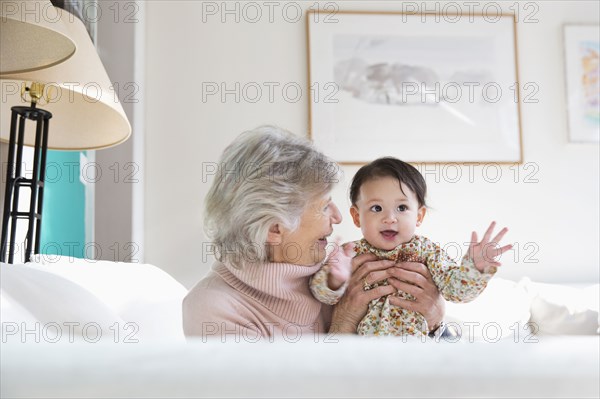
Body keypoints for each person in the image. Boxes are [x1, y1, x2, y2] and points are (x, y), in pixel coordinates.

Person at [183, 127, 446, 341]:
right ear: (275, 229)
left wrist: (436, 323)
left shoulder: (332, 276)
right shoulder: (213, 310)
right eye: (323, 206)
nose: (338, 217)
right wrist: (343, 325)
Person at [310, 157, 513, 336]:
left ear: (419, 216)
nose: (390, 218)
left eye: (402, 208)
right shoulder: (350, 254)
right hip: (365, 353)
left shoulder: (428, 252)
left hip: (417, 352)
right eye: (376, 208)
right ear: (357, 217)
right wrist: (334, 279)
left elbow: (456, 292)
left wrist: (475, 268)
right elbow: (322, 295)